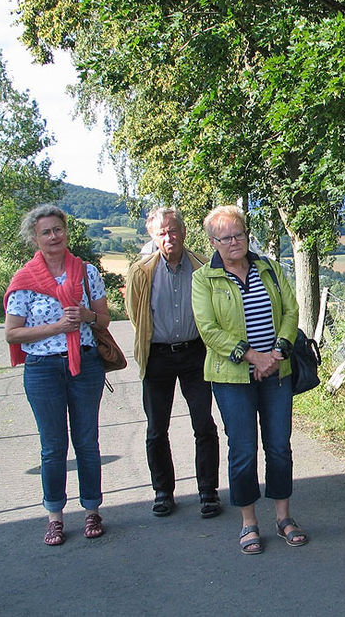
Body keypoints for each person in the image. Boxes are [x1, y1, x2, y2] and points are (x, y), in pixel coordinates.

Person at [191, 205, 307, 554]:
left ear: (247, 234)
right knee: (242, 450)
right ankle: (248, 523)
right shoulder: (203, 279)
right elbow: (208, 329)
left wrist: (277, 353)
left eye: (238, 234)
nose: (233, 242)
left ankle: (284, 517)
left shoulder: (268, 268)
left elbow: (291, 309)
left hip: (277, 372)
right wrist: (252, 356)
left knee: (279, 447)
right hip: (232, 378)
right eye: (225, 238)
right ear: (213, 242)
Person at [4, 204, 111, 545]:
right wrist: (56, 326)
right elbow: (12, 333)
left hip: (86, 365)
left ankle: (92, 510)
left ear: (66, 232)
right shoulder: (24, 281)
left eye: (58, 229)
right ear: (35, 239)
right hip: (43, 369)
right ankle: (55, 515)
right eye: (46, 232)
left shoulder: (87, 272)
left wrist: (85, 316)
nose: (53, 236)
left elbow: (104, 320)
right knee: (52, 447)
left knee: (87, 442)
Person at [125, 207, 221, 518]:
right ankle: (163, 491)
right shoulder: (141, 272)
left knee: (204, 425)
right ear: (153, 237)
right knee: (156, 429)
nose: (169, 237)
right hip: (158, 356)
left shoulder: (201, 268)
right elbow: (135, 314)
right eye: (162, 232)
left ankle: (208, 492)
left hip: (195, 354)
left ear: (183, 231)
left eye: (173, 230)